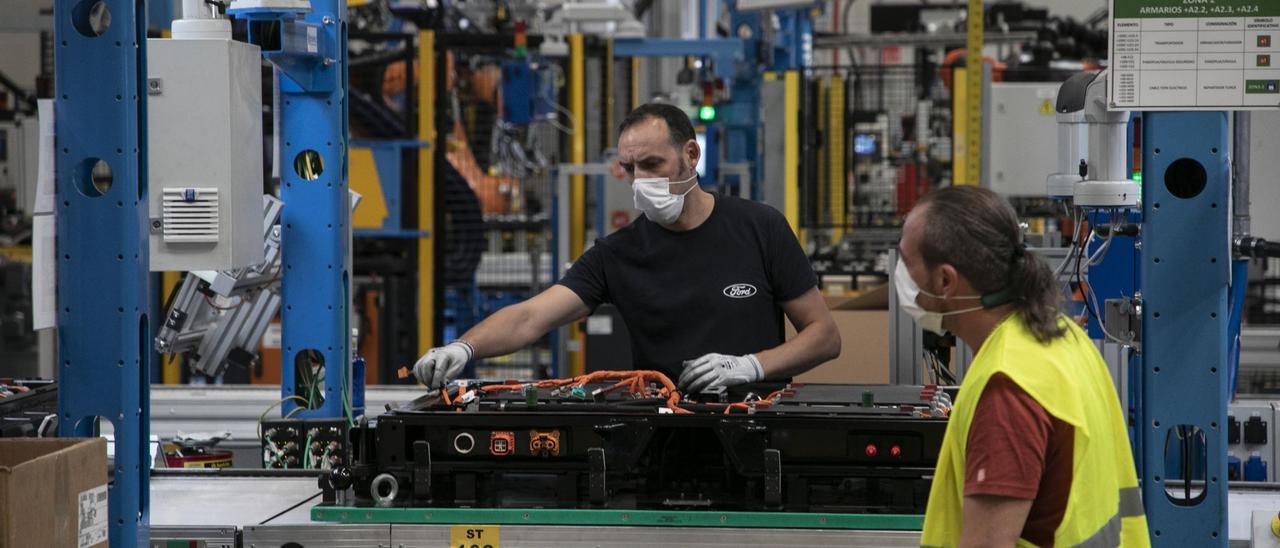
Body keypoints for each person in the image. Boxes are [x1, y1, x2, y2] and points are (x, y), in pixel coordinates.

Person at [414, 103, 841, 392]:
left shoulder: (760, 227)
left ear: (690, 155)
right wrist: (463, 348)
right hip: (660, 439)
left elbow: (824, 337)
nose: (640, 181)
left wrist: (750, 366)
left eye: (652, 164)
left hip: (759, 430)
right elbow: (530, 317)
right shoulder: (616, 254)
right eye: (630, 169)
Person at [898, 186, 1149, 547]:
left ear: (945, 281)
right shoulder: (1062, 337)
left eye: (907, 265)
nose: (900, 278)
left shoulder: (1008, 390)